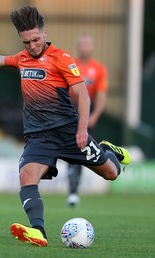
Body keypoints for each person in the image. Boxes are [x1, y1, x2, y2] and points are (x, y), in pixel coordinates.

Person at [0, 6, 131, 247]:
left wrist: (82, 129)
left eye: (36, 39)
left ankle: (108, 151)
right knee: (26, 175)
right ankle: (38, 231)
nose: (32, 45)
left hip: (70, 133)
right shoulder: (22, 58)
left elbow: (83, 94)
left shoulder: (62, 58)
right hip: (39, 137)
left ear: (45, 33)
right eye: (26, 41)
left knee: (112, 173)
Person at [67, 34, 109, 207]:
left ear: (91, 48)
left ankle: (74, 191)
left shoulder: (98, 69)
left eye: (87, 45)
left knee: (83, 151)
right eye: (81, 45)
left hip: (87, 112)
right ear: (78, 47)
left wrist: (94, 115)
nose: (84, 48)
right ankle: (73, 191)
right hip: (69, 111)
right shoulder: (70, 65)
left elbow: (101, 95)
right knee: (70, 152)